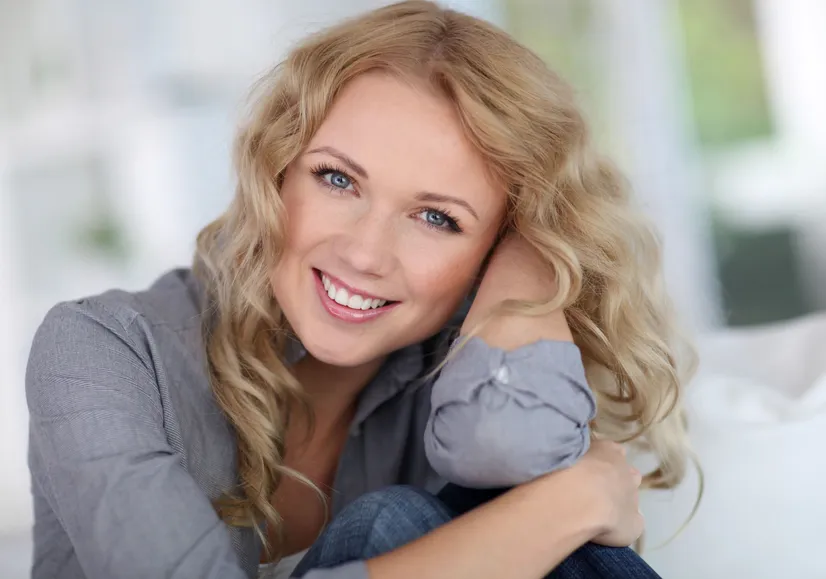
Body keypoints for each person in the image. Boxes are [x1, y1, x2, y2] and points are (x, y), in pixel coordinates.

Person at [25, 2, 696, 578]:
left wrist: (535, 245)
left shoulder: (464, 368)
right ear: (278, 169)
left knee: (410, 521)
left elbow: (507, 440)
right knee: (404, 521)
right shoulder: (102, 350)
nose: (365, 253)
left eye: (438, 218)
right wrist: (572, 500)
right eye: (338, 179)